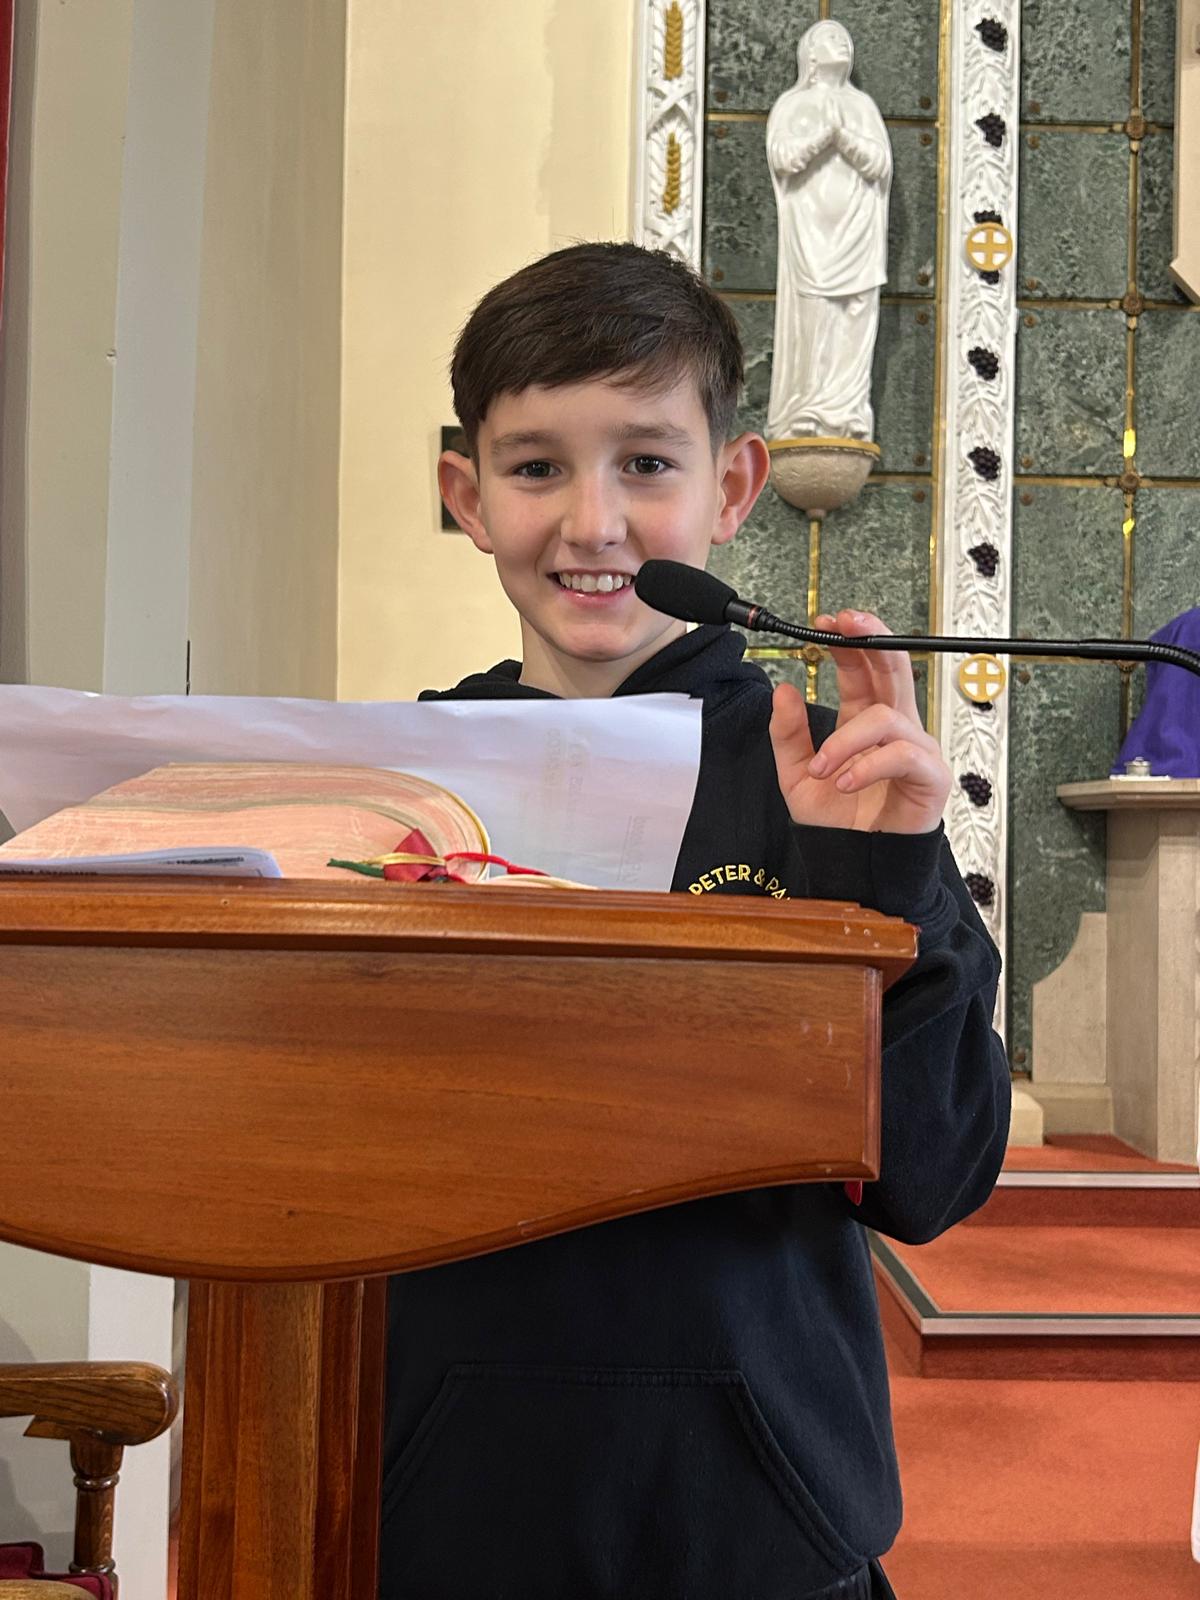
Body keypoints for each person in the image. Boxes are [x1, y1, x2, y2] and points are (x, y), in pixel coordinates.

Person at [379, 241, 1011, 1600]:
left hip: (759, 1503)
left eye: (648, 464)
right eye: (536, 466)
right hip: (445, 1494)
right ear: (468, 496)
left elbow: (933, 1180)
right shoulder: (401, 783)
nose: (593, 523)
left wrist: (885, 883)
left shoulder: (833, 776)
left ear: (731, 488)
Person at [766, 20, 892, 441]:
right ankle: (807, 408)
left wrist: (847, 139)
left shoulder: (863, 107)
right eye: (829, 39)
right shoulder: (792, 104)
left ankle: (848, 413)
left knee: (855, 318)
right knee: (815, 317)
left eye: (843, 38)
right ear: (811, 56)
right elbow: (782, 158)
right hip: (812, 237)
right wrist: (823, 137)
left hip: (859, 234)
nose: (841, 42)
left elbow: (880, 164)